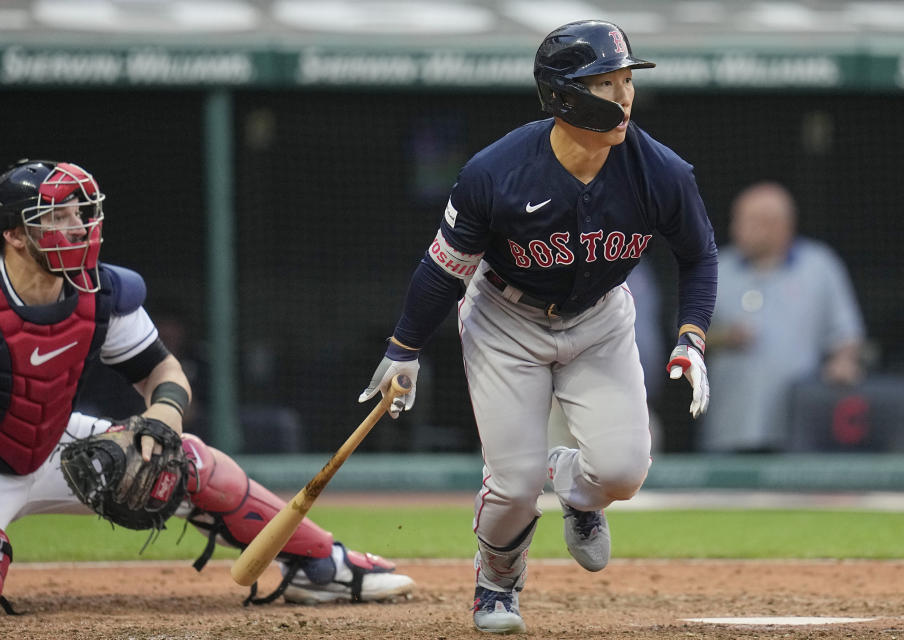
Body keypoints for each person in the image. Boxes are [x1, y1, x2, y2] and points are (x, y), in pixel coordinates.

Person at [359, 20, 717, 634]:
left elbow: (699, 254)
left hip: (600, 319)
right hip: (506, 319)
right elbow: (444, 269)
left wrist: (692, 334)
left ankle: (575, 490)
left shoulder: (661, 173)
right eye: (605, 82)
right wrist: (403, 348)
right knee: (513, 487)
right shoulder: (494, 173)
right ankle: (497, 583)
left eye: (627, 79)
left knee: (623, 473)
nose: (624, 95)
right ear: (564, 96)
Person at [0, 159, 414, 616]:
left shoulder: (102, 293)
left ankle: (324, 566)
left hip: (53, 446)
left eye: (80, 213)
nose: (77, 227)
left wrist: (163, 416)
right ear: (14, 235)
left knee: (189, 463)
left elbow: (161, 371)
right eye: (55, 218)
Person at [697, 181, 865, 453]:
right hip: (729, 424)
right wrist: (724, 337)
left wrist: (843, 362)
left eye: (748, 222)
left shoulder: (820, 266)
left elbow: (846, 333)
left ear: (778, 225)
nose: (736, 230)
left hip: (800, 427)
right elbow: (682, 334)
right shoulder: (715, 268)